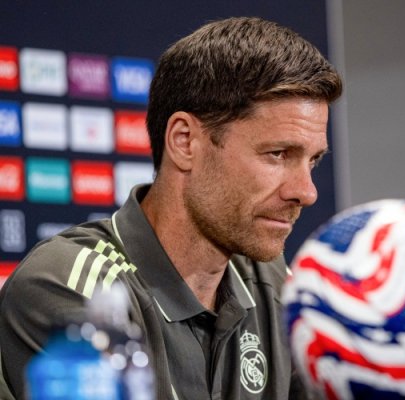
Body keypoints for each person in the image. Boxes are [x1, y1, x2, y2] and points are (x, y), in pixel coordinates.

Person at [0, 16, 342, 399]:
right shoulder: (75, 288)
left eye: (313, 161)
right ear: (184, 141)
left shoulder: (274, 286)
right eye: (277, 154)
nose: (306, 191)